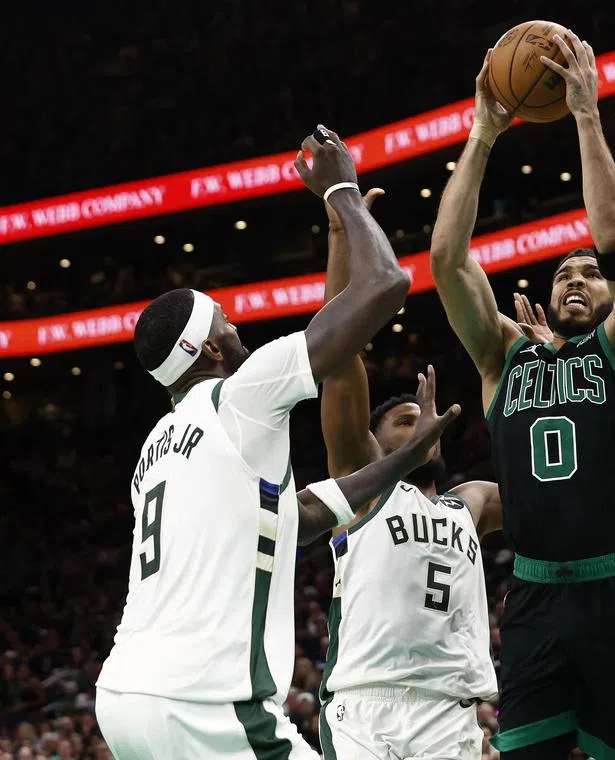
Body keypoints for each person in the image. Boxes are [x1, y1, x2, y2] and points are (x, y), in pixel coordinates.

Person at [93, 126, 417, 758]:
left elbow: (300, 517)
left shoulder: (154, 451)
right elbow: (385, 285)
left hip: (124, 699)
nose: (235, 325)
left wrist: (403, 458)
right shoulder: (239, 395)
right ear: (211, 349)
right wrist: (343, 193)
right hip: (204, 702)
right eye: (225, 321)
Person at [429, 32, 615, 760]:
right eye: (563, 272)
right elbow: (446, 260)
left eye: (588, 274)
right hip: (534, 593)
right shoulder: (504, 356)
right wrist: (483, 131)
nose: (574, 276)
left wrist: (586, 116)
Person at [312, 185, 502, 759]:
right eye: (403, 420)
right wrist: (341, 236)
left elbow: (560, 485)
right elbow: (337, 359)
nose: (422, 425)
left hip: (450, 711)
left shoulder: (471, 502)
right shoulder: (363, 486)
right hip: (366, 708)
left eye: (426, 419)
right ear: (375, 442)